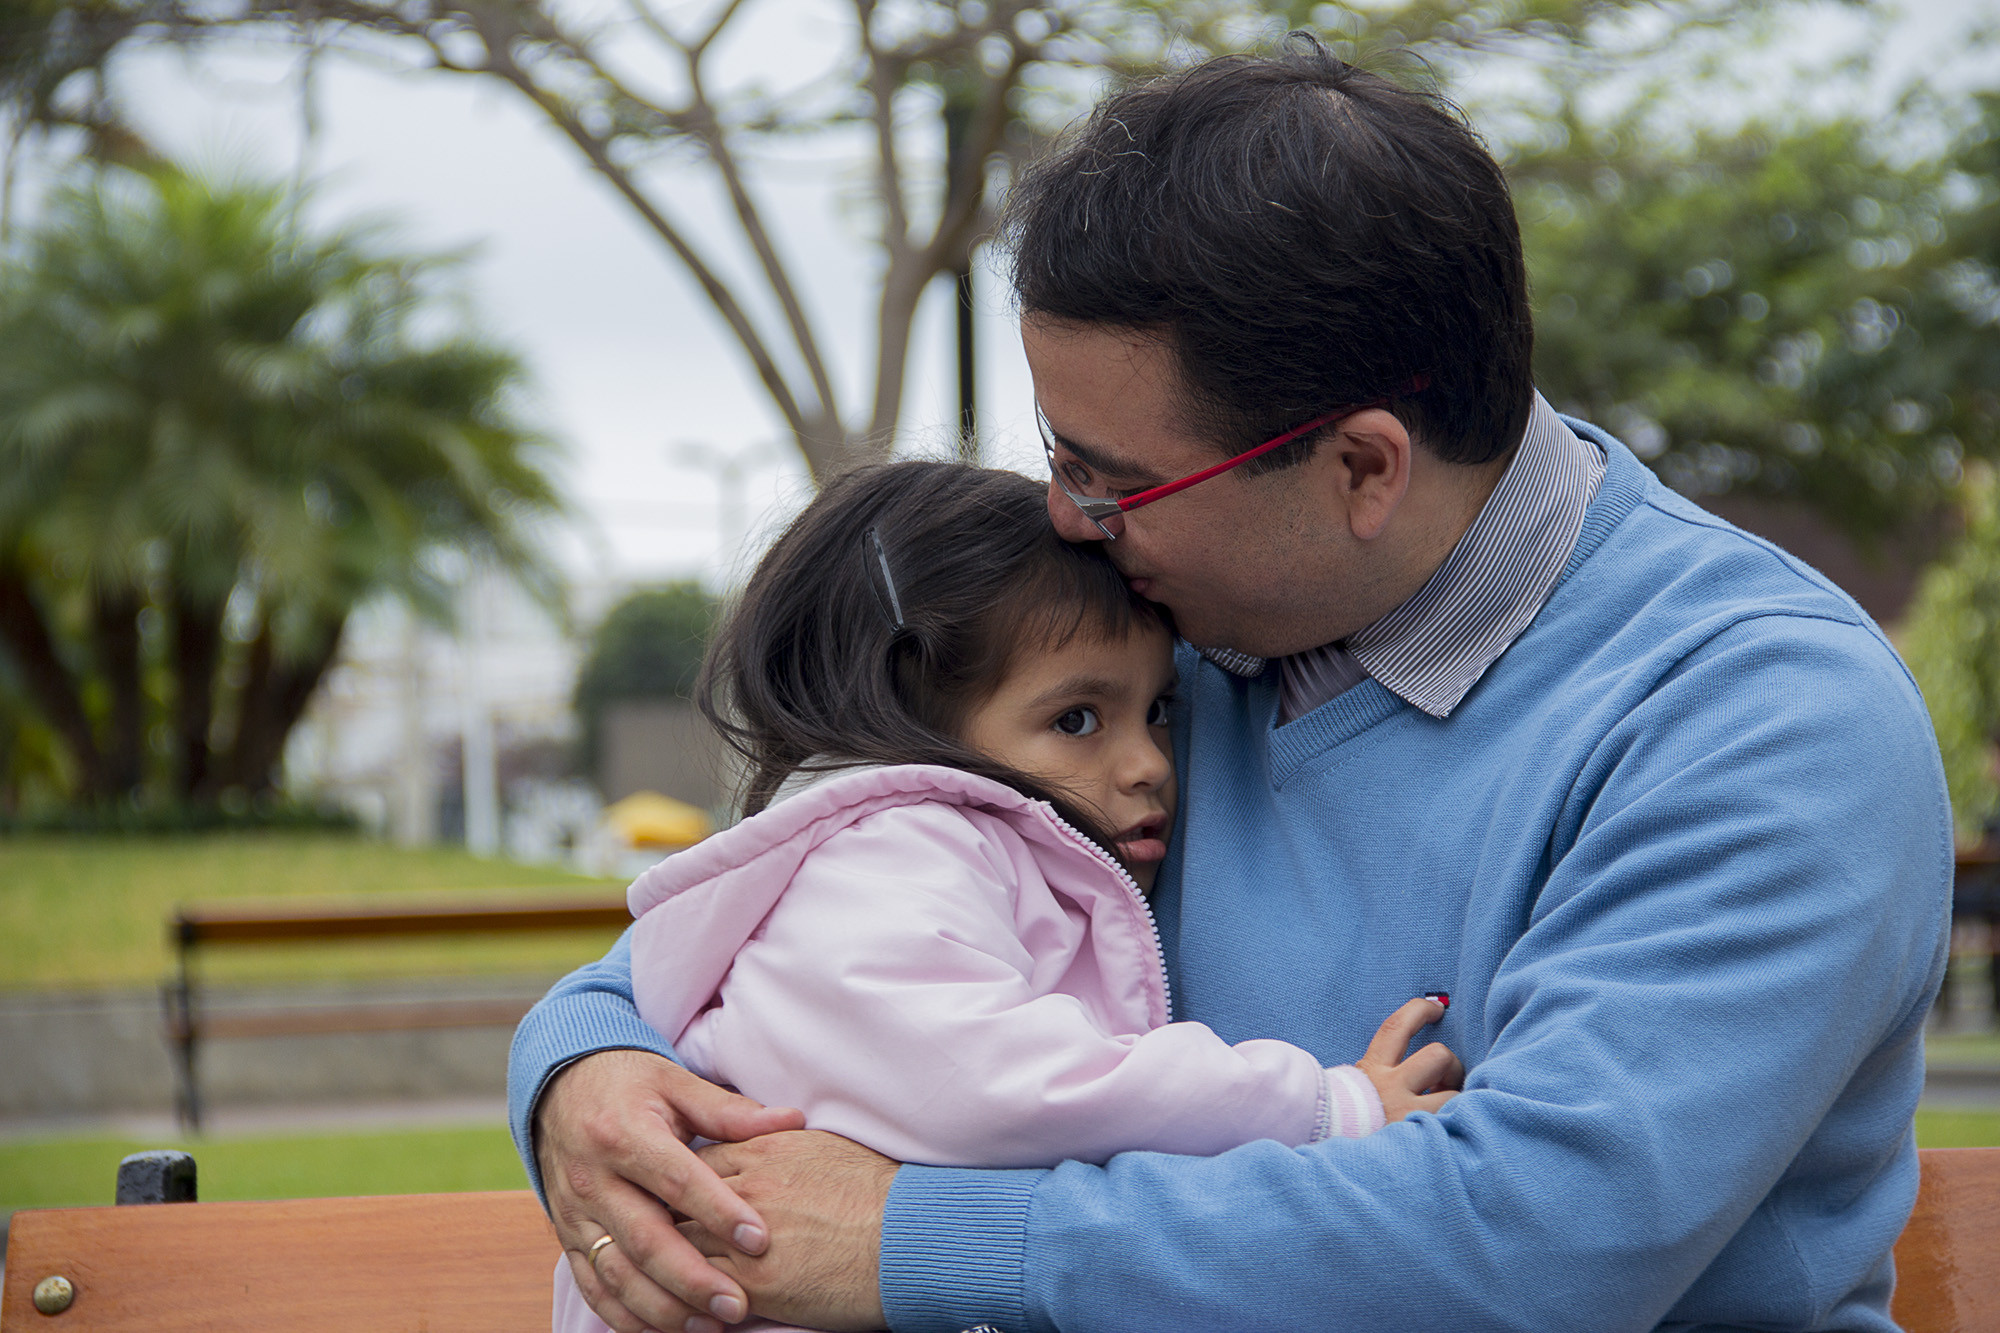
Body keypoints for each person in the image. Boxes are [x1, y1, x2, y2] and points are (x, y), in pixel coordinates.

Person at [510, 38, 1953, 1333]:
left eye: (1113, 476)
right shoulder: (1156, 634)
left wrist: (912, 1241)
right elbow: (829, 886)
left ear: (1362, 468)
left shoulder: (1758, 720)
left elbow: (1527, 1243)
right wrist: (587, 1064)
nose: (1067, 517)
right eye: (1056, 452)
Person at [551, 461, 1458, 1333]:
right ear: (909, 717)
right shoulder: (890, 854)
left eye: (1158, 710)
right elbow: (1004, 1085)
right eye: (1076, 719)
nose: (1148, 763)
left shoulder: (936, 851)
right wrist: (1322, 1107)